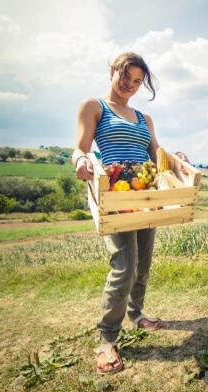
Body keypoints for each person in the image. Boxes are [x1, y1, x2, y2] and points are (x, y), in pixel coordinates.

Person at [72, 51, 188, 374]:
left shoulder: (145, 119)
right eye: (126, 77)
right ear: (113, 71)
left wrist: (174, 157)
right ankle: (107, 338)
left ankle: (135, 314)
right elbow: (79, 148)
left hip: (147, 194)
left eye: (138, 81)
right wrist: (81, 161)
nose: (131, 86)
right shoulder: (94, 107)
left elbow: (156, 155)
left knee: (144, 262)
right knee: (125, 265)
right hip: (117, 197)